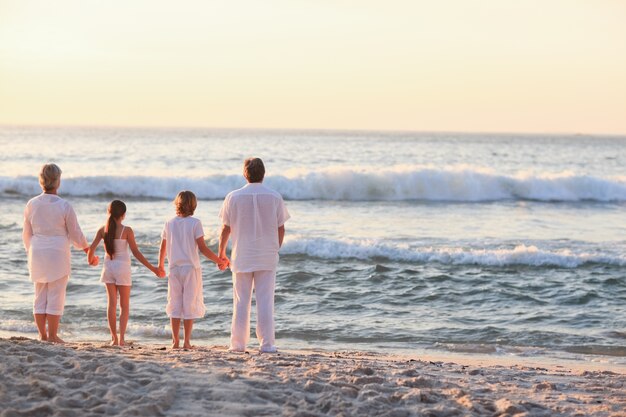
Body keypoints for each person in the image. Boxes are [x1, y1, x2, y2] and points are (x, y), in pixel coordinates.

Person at [218, 157, 290, 353]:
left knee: (241, 301)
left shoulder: (233, 197)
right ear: (264, 174)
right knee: (266, 301)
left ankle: (237, 345)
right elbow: (280, 228)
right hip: (267, 256)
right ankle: (267, 345)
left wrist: (221, 253)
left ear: (244, 174)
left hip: (242, 255)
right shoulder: (274, 197)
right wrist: (275, 248)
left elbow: (226, 229)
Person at [22, 163, 98, 343]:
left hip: (37, 252)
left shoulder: (31, 204)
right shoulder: (64, 205)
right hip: (57, 254)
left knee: (40, 294)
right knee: (56, 294)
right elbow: (75, 233)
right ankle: (53, 336)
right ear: (58, 181)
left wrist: (31, 250)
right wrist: (88, 250)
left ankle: (42, 335)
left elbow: (26, 234)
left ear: (41, 181)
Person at [88, 200, 164, 346]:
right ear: (123, 215)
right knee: (124, 305)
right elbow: (136, 253)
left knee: (111, 304)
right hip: (122, 269)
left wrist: (91, 260)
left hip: (108, 267)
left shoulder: (103, 230)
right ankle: (121, 338)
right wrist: (153, 269)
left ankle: (113, 338)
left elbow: (91, 249)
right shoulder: (127, 230)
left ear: (109, 213)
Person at [158, 191, 227, 349]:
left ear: (177, 204)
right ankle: (187, 342)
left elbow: (163, 247)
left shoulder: (169, 222)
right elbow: (202, 248)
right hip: (191, 269)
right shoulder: (195, 223)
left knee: (174, 305)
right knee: (189, 305)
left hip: (174, 269)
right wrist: (219, 260)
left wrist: (160, 265)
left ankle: (175, 341)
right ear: (193, 205)